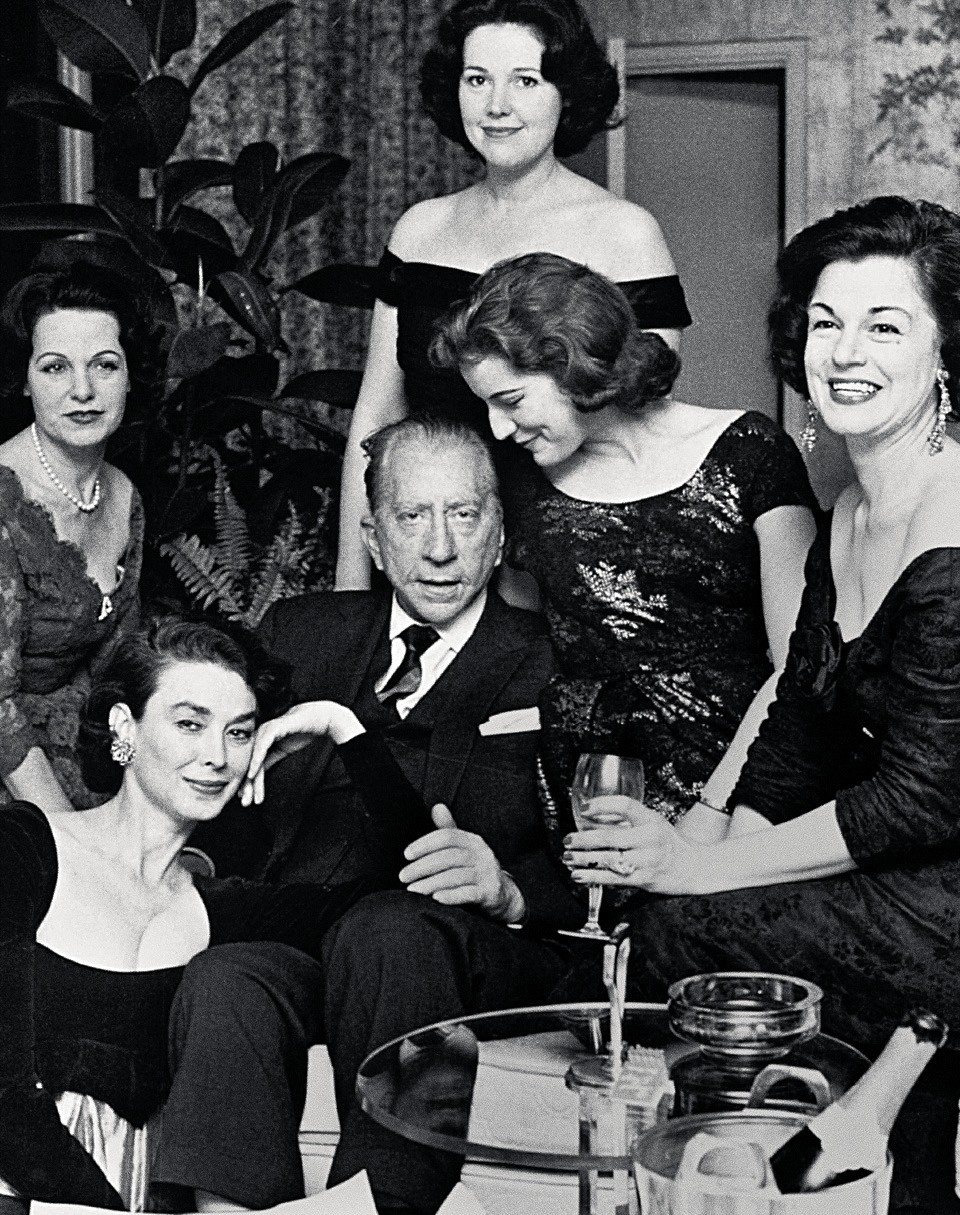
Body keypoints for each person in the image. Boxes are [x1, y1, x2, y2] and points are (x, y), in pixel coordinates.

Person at [560, 195, 960, 1213]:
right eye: (826, 322)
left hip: (948, 881)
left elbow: (919, 800)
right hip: (908, 870)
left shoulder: (955, 523)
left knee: (679, 935)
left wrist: (700, 869)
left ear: (946, 349)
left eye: (885, 326)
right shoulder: (852, 510)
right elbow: (799, 731)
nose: (846, 352)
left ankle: (793, 1165)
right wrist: (695, 857)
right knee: (673, 924)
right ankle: (811, 1163)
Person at [188, 415, 583, 1215]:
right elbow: (228, 802)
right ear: (372, 536)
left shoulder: (553, 661)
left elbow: (601, 847)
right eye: (412, 516)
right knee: (225, 976)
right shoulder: (301, 635)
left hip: (466, 947)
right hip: (310, 934)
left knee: (389, 928)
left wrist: (512, 890)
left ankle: (385, 1207)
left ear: (499, 535)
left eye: (463, 515)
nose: (439, 547)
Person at [0, 615, 385, 1211]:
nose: (217, 756)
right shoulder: (19, 849)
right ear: (124, 725)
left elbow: (420, 893)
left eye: (239, 733)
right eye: (189, 724)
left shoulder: (229, 911)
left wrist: (343, 729)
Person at [431, 252, 817, 828]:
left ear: (573, 367)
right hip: (590, 798)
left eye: (510, 401)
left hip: (744, 790)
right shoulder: (521, 484)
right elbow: (518, 647)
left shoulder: (750, 451)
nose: (498, 428)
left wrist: (716, 813)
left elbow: (802, 667)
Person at [335, 0, 691, 590]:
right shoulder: (418, 231)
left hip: (566, 562)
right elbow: (376, 419)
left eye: (525, 81)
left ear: (566, 94)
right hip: (435, 551)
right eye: (478, 80)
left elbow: (642, 429)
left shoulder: (626, 234)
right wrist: (351, 585)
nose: (496, 105)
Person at [0, 262, 151, 813]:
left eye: (104, 365)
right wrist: (76, 838)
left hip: (79, 744)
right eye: (55, 367)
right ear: (24, 380)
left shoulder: (124, 495)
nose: (82, 391)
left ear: (131, 376)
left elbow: (119, 672)